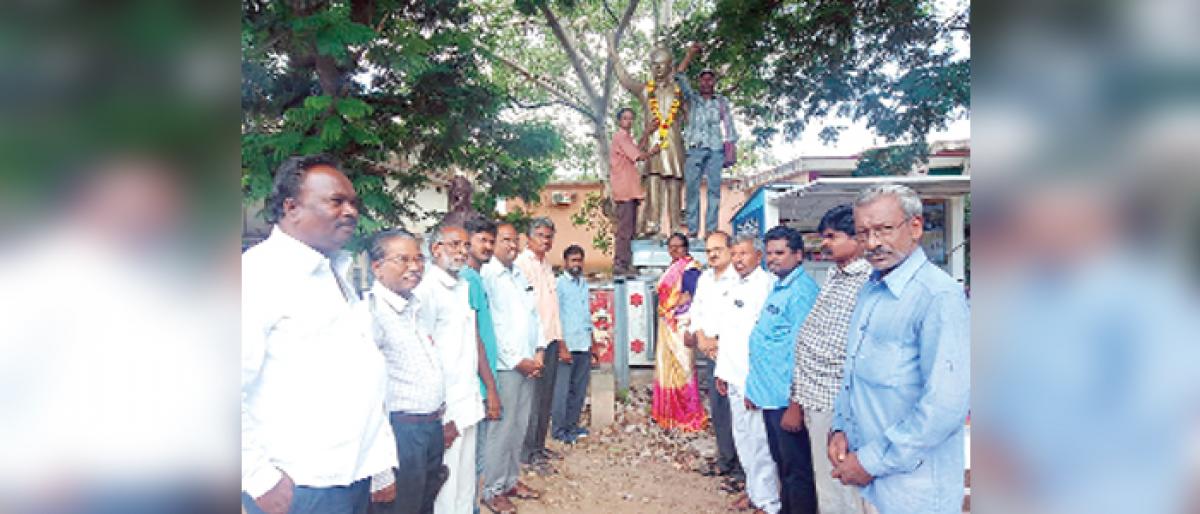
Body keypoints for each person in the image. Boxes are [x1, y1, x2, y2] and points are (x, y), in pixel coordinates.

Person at [242, 155, 396, 514]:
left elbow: (362, 372)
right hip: (299, 486)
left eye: (353, 203)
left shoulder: (336, 272)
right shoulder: (258, 275)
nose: (351, 211)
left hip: (352, 477)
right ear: (291, 207)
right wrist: (259, 479)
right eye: (336, 201)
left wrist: (379, 465)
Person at [829, 185, 969, 514]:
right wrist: (840, 428)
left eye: (884, 229)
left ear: (915, 227)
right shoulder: (870, 290)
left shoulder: (938, 298)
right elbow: (852, 372)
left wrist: (871, 461)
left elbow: (945, 407)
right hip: (870, 481)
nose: (873, 243)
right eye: (863, 233)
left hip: (913, 490)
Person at [785, 205, 872, 514]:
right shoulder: (836, 273)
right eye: (823, 237)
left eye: (832, 237)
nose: (824, 243)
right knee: (827, 482)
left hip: (837, 398)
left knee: (841, 484)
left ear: (859, 239)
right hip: (815, 395)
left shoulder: (868, 281)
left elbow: (854, 350)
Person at [364, 228, 446, 514]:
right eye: (403, 259)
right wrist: (381, 470)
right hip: (401, 432)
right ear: (377, 267)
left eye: (418, 259)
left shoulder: (414, 308)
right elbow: (367, 395)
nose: (414, 267)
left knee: (424, 505)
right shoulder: (371, 314)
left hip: (429, 427)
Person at [414, 223, 490, 514]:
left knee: (465, 483)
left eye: (464, 246)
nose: (461, 251)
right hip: (444, 410)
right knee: (445, 488)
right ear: (436, 250)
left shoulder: (462, 287)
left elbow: (468, 346)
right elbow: (425, 355)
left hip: (467, 401)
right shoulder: (427, 292)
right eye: (454, 245)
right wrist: (440, 413)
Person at [744, 225, 820, 514]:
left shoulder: (802, 292)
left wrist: (795, 404)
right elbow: (766, 342)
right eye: (769, 253)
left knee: (797, 470)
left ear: (798, 255)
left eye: (780, 253)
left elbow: (803, 350)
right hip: (770, 394)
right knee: (782, 465)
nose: (772, 259)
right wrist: (754, 389)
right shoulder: (779, 286)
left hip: (787, 399)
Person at [480, 223, 544, 514]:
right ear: (494, 244)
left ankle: (510, 481)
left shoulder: (518, 273)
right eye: (505, 240)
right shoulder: (488, 275)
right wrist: (516, 359)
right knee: (501, 430)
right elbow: (493, 326)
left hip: (530, 363)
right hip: (508, 367)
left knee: (519, 426)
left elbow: (534, 315)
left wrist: (539, 350)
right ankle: (492, 490)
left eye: (514, 241)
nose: (512, 246)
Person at [716, 232, 780, 513]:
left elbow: (766, 340)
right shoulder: (733, 285)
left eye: (744, 254)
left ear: (758, 256)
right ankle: (754, 492)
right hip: (733, 375)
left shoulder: (767, 286)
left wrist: (756, 381)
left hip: (754, 379)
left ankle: (769, 501)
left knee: (760, 441)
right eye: (736, 254)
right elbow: (728, 333)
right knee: (742, 438)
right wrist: (722, 371)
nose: (739, 259)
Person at [609, 37, 687, 237]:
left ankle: (676, 225)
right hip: (652, 144)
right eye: (654, 65)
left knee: (674, 183)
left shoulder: (679, 90)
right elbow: (625, 80)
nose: (658, 69)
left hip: (673, 142)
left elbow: (689, 113)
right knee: (653, 183)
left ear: (670, 66)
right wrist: (614, 55)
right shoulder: (645, 90)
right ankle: (652, 225)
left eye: (662, 65)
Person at [515, 218, 569, 472]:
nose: (544, 240)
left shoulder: (546, 265)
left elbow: (552, 310)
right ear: (528, 238)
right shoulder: (521, 265)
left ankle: (538, 445)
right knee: (533, 399)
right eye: (539, 235)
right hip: (533, 343)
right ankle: (527, 452)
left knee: (546, 397)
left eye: (548, 236)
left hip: (549, 340)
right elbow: (527, 311)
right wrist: (537, 347)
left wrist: (559, 341)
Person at [688, 231, 742, 481]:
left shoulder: (739, 279)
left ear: (731, 250)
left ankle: (743, 468)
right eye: (708, 250)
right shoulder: (705, 278)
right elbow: (696, 310)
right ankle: (726, 459)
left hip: (734, 352)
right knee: (719, 409)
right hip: (710, 352)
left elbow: (739, 320)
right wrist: (701, 338)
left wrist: (719, 342)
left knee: (739, 411)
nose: (712, 254)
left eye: (718, 249)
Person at [462, 217, 504, 514]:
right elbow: (473, 336)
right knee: (472, 460)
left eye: (491, 241)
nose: (488, 246)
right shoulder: (468, 278)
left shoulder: (478, 277)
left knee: (474, 458)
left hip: (482, 379)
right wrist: (490, 388)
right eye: (482, 240)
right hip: (476, 383)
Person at [675, 43, 738, 238]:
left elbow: (729, 125)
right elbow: (678, 75)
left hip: (715, 150)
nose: (706, 83)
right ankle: (693, 231)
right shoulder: (692, 99)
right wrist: (690, 54)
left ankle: (711, 230)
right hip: (694, 148)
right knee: (692, 190)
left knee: (714, 191)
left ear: (714, 83)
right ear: (699, 82)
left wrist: (732, 146)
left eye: (710, 80)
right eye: (703, 80)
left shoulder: (721, 101)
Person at [650, 233, 707, 431]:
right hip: (667, 323)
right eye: (671, 247)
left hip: (681, 323)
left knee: (683, 368)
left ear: (686, 248)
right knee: (666, 366)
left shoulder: (691, 269)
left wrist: (673, 307)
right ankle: (668, 413)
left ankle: (688, 414)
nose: (674, 251)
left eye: (678, 247)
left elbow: (692, 297)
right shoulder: (672, 269)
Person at [550, 245, 595, 444]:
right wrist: (561, 345)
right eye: (573, 261)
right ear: (565, 262)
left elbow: (586, 315)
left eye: (579, 260)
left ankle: (572, 426)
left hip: (583, 344)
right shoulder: (558, 284)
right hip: (566, 345)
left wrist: (592, 343)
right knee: (562, 390)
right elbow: (555, 316)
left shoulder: (583, 284)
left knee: (579, 389)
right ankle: (559, 430)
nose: (577, 264)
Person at [608, 106, 658, 276]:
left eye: (630, 118)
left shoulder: (627, 138)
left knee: (630, 229)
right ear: (619, 121)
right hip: (624, 189)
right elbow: (639, 156)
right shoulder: (620, 136)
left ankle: (627, 262)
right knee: (625, 230)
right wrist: (654, 151)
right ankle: (620, 264)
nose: (628, 122)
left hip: (630, 188)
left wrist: (647, 133)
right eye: (625, 118)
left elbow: (636, 149)